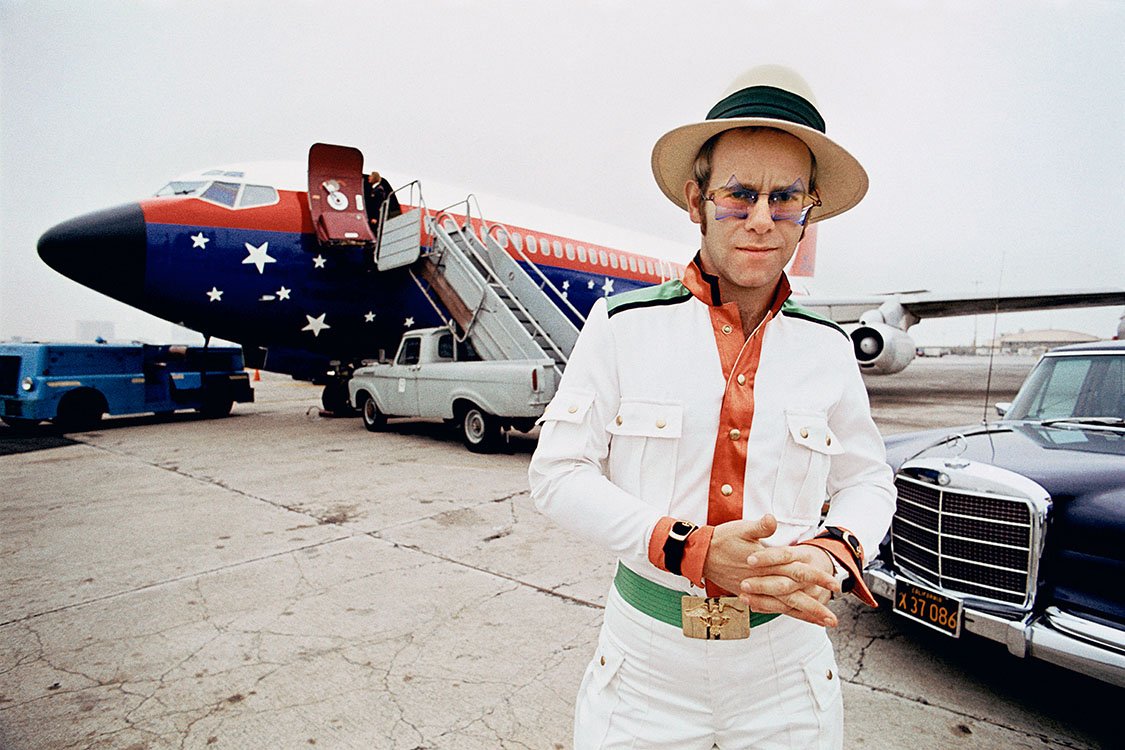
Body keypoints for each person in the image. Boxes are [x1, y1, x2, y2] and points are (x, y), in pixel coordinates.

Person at [528, 65, 896, 749]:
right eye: (739, 195)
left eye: (784, 199)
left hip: (785, 675)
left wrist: (832, 550)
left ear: (807, 212)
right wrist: (688, 548)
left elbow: (867, 481)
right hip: (645, 674)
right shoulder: (619, 326)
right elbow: (556, 473)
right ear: (697, 199)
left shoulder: (827, 349)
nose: (761, 219)